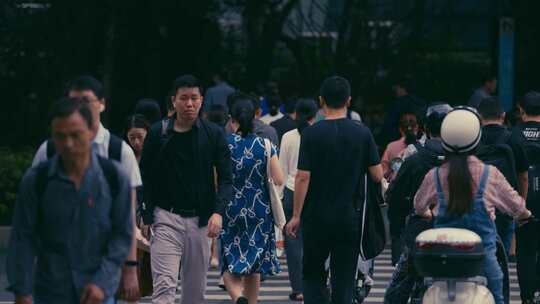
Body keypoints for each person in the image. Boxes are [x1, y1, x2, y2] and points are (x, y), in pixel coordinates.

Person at [7, 97, 133, 304]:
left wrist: (102, 282)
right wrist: (22, 290)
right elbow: (22, 237)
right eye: (60, 136)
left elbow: (121, 235)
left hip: (99, 291)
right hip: (50, 290)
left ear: (91, 132)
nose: (68, 144)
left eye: (76, 135)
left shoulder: (113, 177)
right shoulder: (37, 181)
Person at [31, 75, 142, 302]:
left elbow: (127, 220)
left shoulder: (119, 152)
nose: (80, 109)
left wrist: (130, 268)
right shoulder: (49, 150)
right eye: (74, 102)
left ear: (102, 104)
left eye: (86, 101)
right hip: (53, 275)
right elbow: (31, 218)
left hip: (101, 272)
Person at [414, 107, 531, 304]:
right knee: (497, 284)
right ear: (477, 139)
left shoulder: (436, 174)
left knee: (414, 284)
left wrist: (426, 213)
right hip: (481, 256)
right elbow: (517, 206)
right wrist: (524, 214)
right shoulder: (490, 174)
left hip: (442, 254)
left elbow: (418, 205)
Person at [286, 76, 383, 304]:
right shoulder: (362, 133)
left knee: (312, 273)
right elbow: (377, 174)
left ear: (321, 101)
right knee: (344, 277)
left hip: (315, 217)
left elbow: (302, 177)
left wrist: (296, 215)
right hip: (349, 217)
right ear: (348, 100)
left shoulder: (310, 133)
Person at [139, 74, 233, 304]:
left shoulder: (213, 134)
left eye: (194, 98)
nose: (189, 104)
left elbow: (227, 179)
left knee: (194, 294)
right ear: (173, 101)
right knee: (164, 288)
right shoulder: (158, 133)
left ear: (202, 100)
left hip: (200, 221)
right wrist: (146, 213)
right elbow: (145, 176)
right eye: (183, 98)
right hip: (165, 217)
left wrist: (218, 212)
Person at [384, 104, 451, 303]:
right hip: (457, 231)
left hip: (418, 232)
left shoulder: (414, 156)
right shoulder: (466, 158)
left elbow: (395, 195)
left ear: (425, 128)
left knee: (397, 291)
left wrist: (397, 225)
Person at [220, 97, 284, 304]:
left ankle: (238, 297)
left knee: (229, 262)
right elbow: (279, 178)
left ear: (232, 120)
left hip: (231, 211)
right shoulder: (265, 145)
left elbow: (216, 180)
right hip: (259, 212)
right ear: (255, 118)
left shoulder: (224, 145)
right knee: (254, 264)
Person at [477, 97, 529, 255]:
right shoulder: (513, 138)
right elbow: (524, 176)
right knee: (501, 257)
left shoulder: (473, 139)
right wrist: (521, 204)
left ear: (479, 117)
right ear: (503, 115)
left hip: (478, 207)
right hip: (504, 206)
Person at [279, 98, 318, 302]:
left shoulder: (287, 137)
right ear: (315, 115)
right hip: (313, 193)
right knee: (314, 241)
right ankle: (314, 285)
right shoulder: (320, 134)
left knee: (293, 244)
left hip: (291, 191)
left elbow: (283, 169)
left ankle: (298, 288)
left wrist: (279, 196)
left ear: (295, 114)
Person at [513, 91, 540, 303]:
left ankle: (527, 296)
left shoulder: (512, 135)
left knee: (525, 251)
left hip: (522, 199)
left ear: (521, 111)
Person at [124, 114, 153, 298]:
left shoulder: (156, 154)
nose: (136, 142)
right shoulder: (123, 155)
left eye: (139, 137)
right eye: (131, 137)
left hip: (149, 208)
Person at [380, 76, 426, 146]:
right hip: (419, 140)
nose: (395, 90)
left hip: (400, 141)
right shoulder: (420, 103)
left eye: (397, 88)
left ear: (402, 88)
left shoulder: (398, 105)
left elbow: (389, 125)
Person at [381, 111, 419, 184]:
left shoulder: (391, 147)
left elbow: (384, 173)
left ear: (400, 129)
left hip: (396, 188)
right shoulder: (423, 146)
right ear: (416, 127)